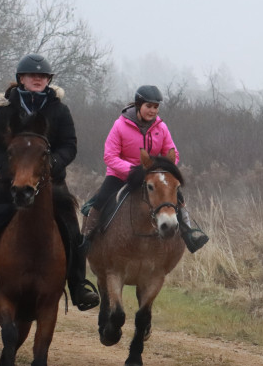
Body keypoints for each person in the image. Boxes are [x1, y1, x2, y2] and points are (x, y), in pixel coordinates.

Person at [0, 54, 100, 310]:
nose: (38, 79)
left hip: (51, 184)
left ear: (48, 80)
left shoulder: (59, 109)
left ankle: (78, 285)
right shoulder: (5, 108)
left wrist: (52, 165)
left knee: (72, 231)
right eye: (32, 76)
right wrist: (10, 171)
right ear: (21, 79)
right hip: (11, 182)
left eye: (42, 76)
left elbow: (69, 145)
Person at [81, 85, 208, 252]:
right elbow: (110, 156)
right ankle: (86, 238)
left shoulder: (161, 127)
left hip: (153, 175)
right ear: (138, 105)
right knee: (101, 199)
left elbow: (173, 153)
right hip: (121, 175)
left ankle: (189, 233)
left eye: (156, 107)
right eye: (148, 106)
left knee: (178, 198)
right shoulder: (120, 125)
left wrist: (161, 170)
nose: (152, 111)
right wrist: (133, 170)